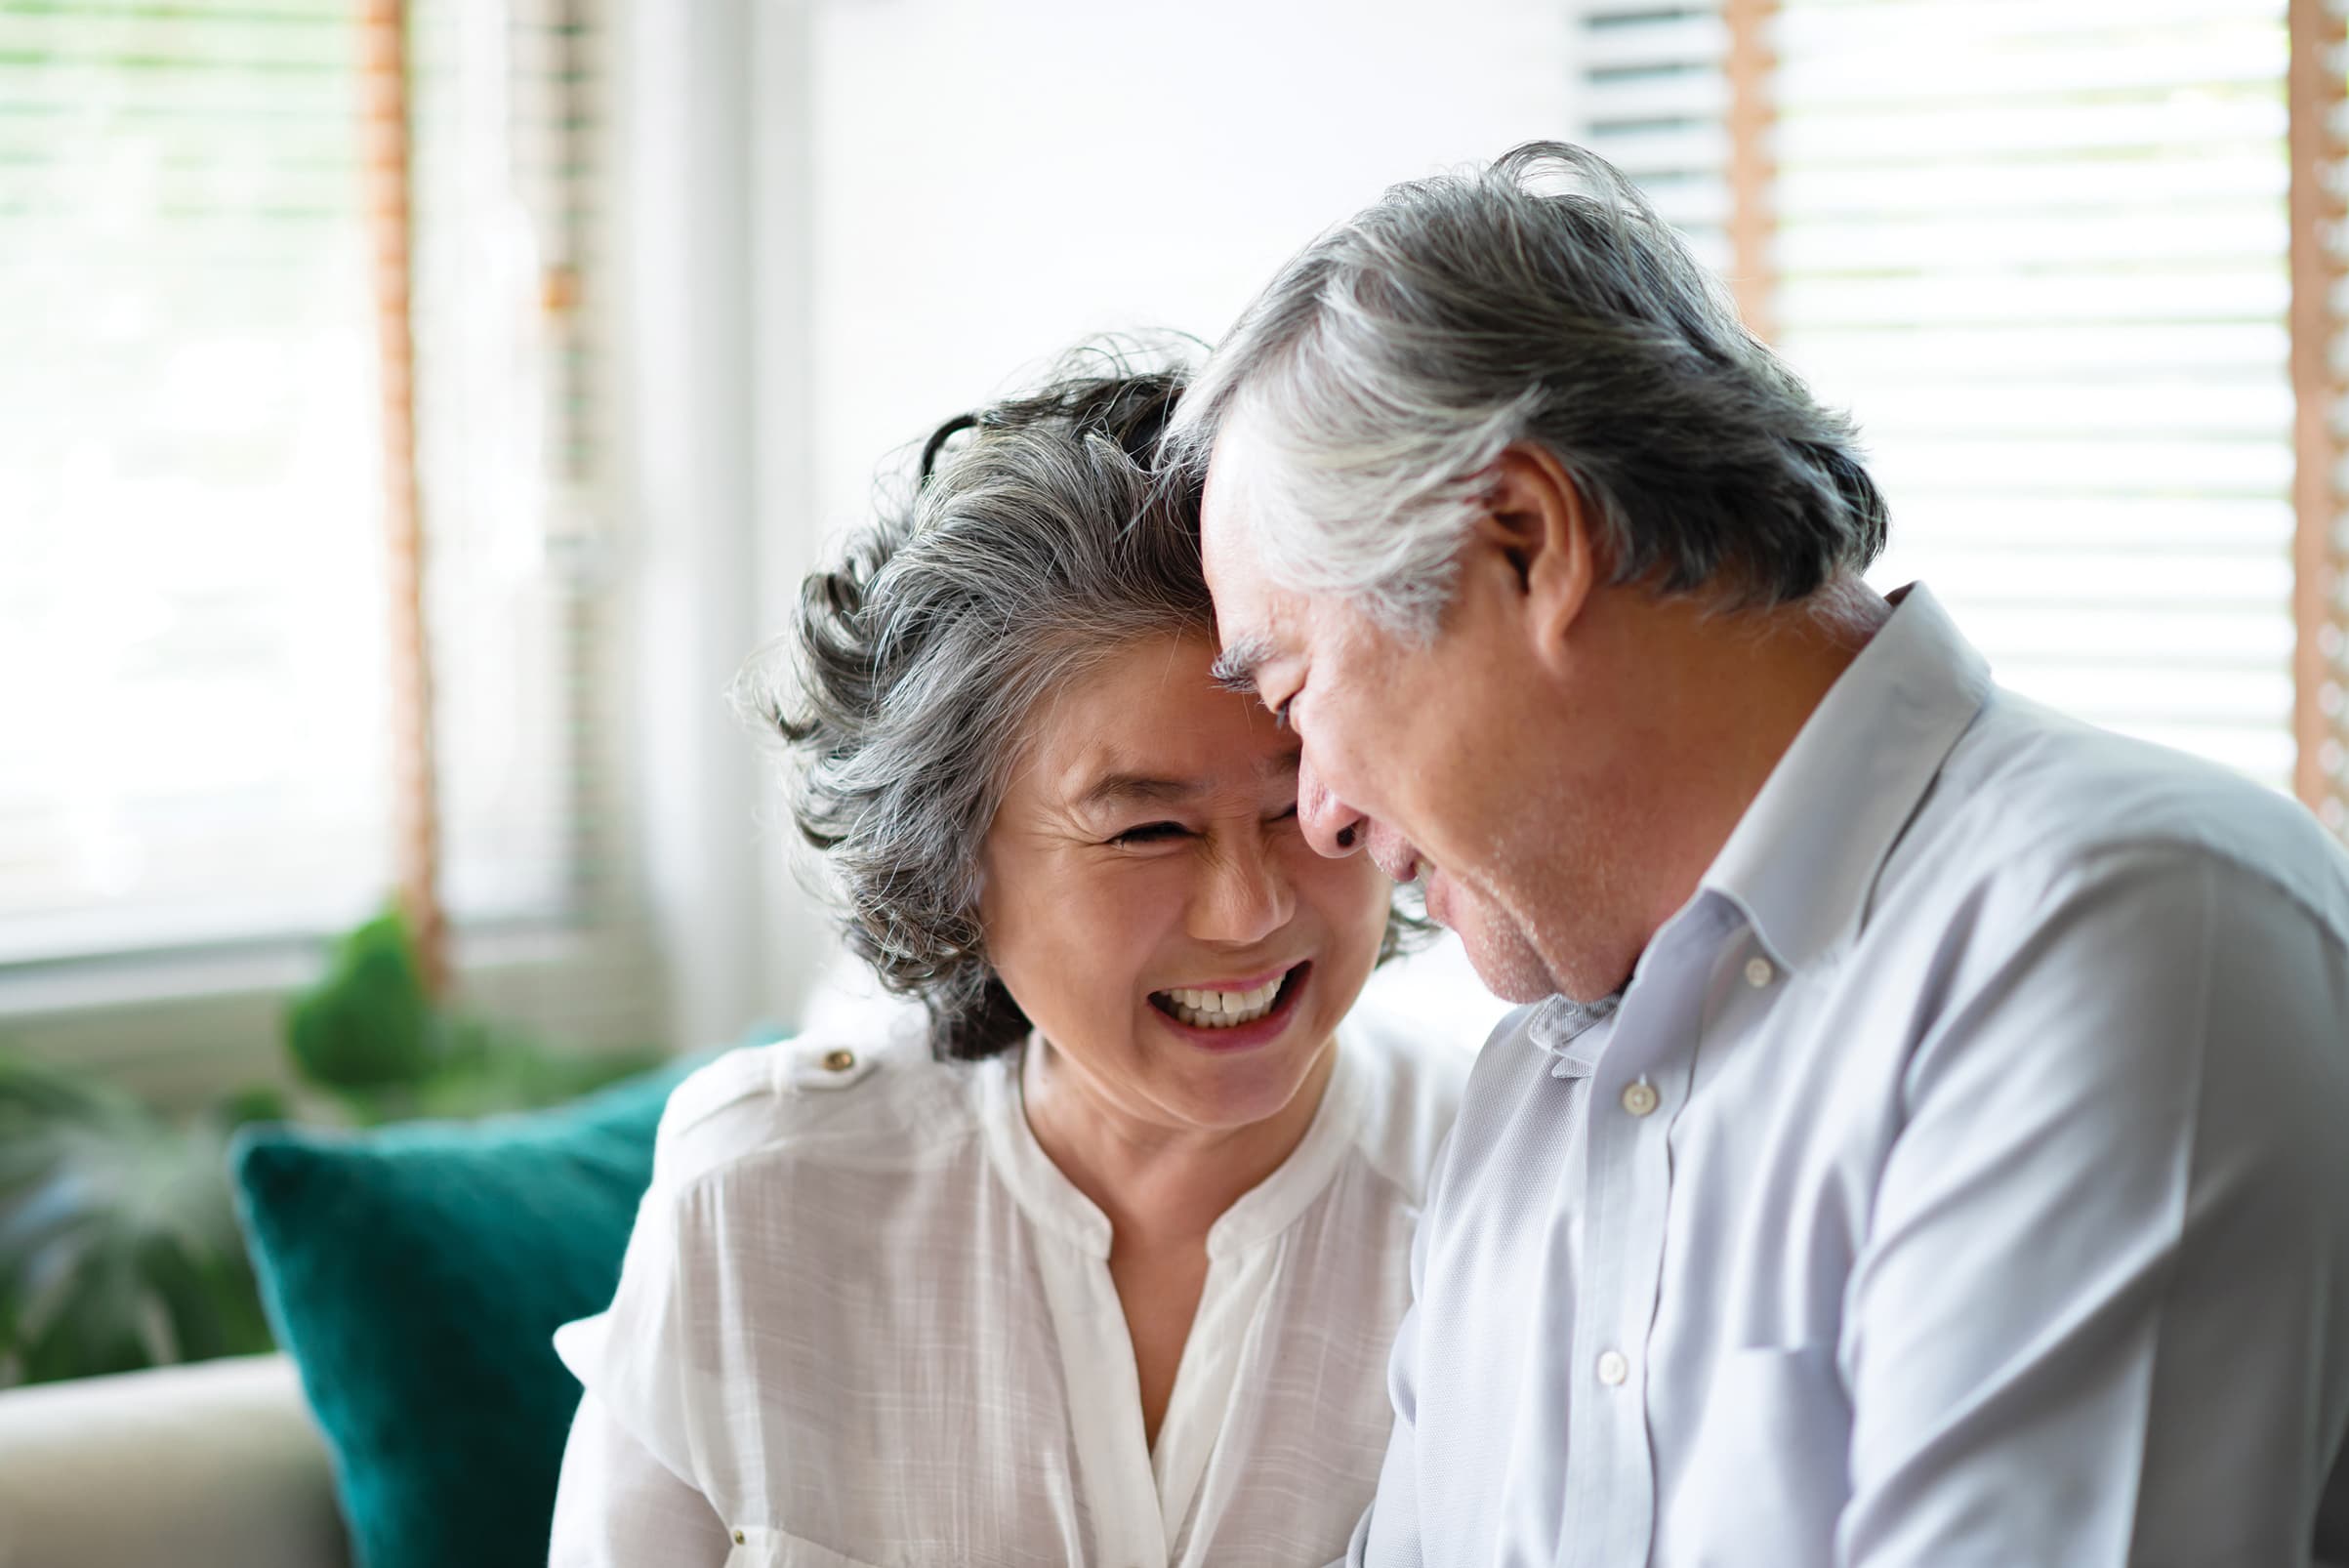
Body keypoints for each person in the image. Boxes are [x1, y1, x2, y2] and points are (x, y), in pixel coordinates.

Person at [1174, 141, 2349, 1565]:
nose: (1319, 814)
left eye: (1295, 690)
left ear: (1526, 543)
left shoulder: (2118, 928)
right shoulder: (1526, 1101)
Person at [545, 357, 1464, 1568]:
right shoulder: (761, 1195)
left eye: (1299, 803)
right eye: (1148, 830)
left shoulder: (1498, 1195)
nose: (1248, 912)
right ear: (954, 865)